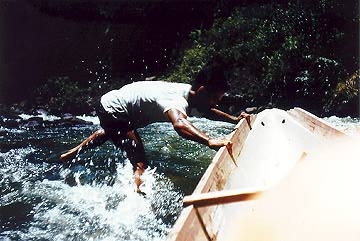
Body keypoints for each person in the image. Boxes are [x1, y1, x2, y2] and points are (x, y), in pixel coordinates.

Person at [60, 67, 251, 193]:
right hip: (114, 109)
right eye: (215, 98)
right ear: (201, 91)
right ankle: (137, 200)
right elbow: (180, 125)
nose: (216, 102)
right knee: (140, 161)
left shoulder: (189, 92)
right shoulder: (176, 100)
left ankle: (70, 154)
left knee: (112, 132)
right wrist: (209, 140)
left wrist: (233, 119)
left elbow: (207, 110)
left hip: (110, 104)